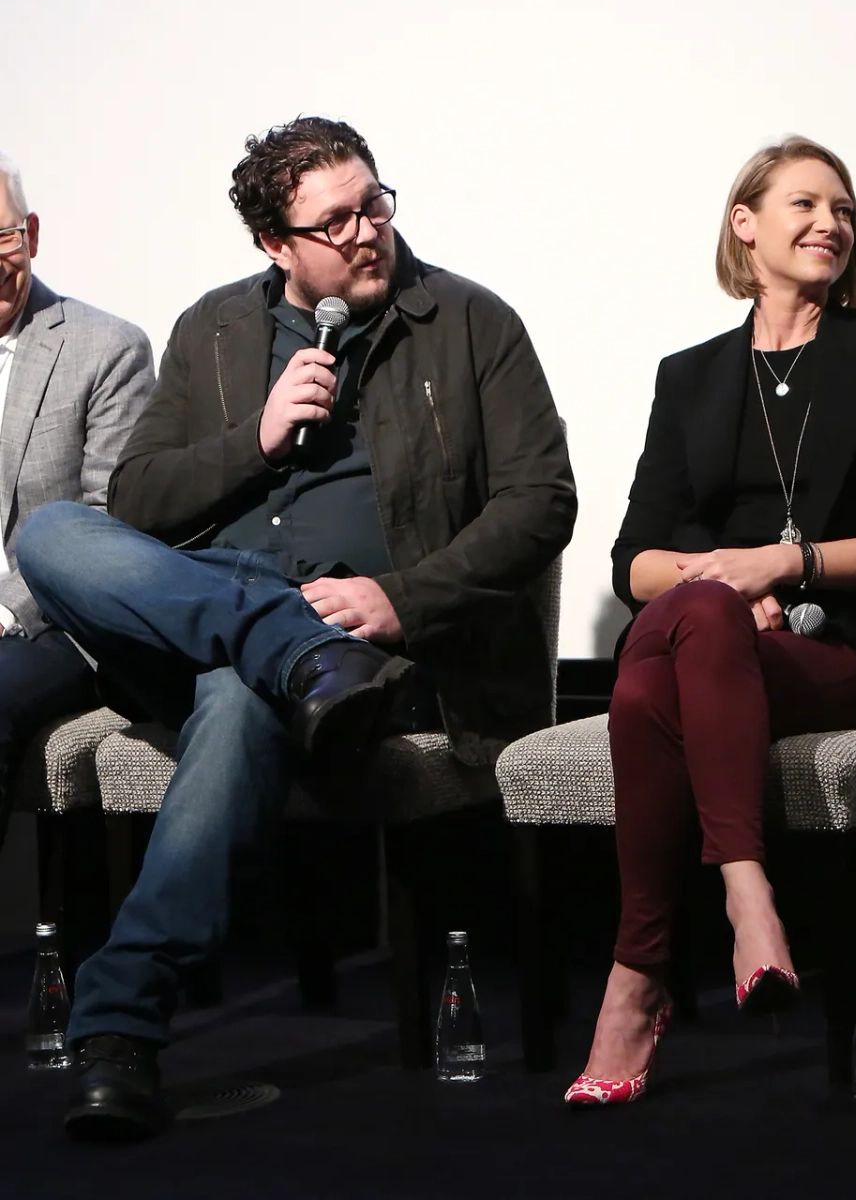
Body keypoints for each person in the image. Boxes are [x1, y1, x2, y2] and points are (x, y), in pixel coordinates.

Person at [17, 117, 576, 1141]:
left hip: (371, 643)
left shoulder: (468, 321)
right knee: (55, 530)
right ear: (277, 246)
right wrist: (257, 437)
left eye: (376, 202)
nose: (369, 231)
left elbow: (542, 502)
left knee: (239, 691)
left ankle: (119, 1029)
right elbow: (137, 497)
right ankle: (286, 645)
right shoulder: (214, 330)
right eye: (337, 220)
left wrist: (400, 595)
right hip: (229, 616)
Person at [567, 136, 856, 1107]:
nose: (831, 222)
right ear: (746, 225)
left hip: (838, 647)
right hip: (713, 629)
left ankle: (639, 974)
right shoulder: (690, 374)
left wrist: (785, 560)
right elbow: (634, 560)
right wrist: (722, 585)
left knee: (648, 691)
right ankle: (746, 890)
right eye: (806, 204)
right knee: (692, 612)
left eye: (844, 209)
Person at [0, 151, 154, 856]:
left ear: (31, 231)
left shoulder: (105, 349)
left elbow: (104, 524)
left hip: (54, 623)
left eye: (4, 237)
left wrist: (6, 606)